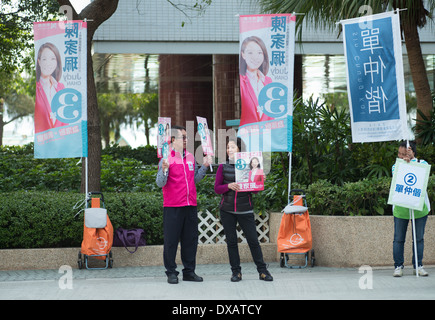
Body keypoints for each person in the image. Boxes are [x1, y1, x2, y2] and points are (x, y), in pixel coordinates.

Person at [156, 125, 211, 284]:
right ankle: (171, 272)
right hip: (173, 206)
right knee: (171, 241)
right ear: (173, 140)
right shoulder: (166, 159)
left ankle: (189, 272)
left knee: (190, 240)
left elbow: (194, 180)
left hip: (190, 205)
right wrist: (164, 170)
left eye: (187, 137)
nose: (187, 140)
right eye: (183, 137)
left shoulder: (191, 157)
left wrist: (205, 167)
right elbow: (160, 183)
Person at [214, 137, 273, 282]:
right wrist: (228, 186)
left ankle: (263, 271)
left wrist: (259, 180)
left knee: (253, 241)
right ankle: (236, 272)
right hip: (227, 210)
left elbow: (256, 191)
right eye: (228, 147)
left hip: (245, 209)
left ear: (240, 149)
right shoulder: (223, 166)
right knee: (232, 242)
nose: (229, 150)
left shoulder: (250, 165)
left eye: (232, 147)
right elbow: (217, 188)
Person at [392, 141, 431, 277]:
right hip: (401, 209)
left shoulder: (423, 164)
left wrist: (412, 161)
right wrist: (405, 164)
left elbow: (423, 177)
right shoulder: (396, 166)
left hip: (419, 209)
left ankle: (418, 266)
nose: (402, 156)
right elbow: (396, 177)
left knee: (418, 238)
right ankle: (398, 266)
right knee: (398, 239)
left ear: (413, 152)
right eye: (399, 154)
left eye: (405, 154)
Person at [239, 36, 274, 126]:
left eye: (259, 53)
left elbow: (271, 113)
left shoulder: (268, 81)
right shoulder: (241, 81)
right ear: (243, 54)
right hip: (248, 135)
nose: (255, 57)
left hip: (267, 135)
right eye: (250, 52)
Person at [35, 42, 68, 133]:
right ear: (39, 62)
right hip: (43, 142)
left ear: (57, 62)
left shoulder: (61, 88)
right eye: (44, 59)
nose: (48, 63)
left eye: (53, 59)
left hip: (61, 142)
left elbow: (65, 119)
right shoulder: (36, 88)